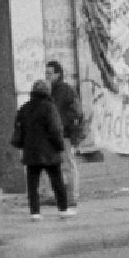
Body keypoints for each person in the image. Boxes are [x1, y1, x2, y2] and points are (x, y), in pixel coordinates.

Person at [11, 78, 75, 220]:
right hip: (49, 152)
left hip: (31, 151)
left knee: (33, 184)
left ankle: (35, 213)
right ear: (47, 92)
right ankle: (63, 209)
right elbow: (56, 129)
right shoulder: (49, 107)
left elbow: (19, 129)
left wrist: (22, 145)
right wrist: (59, 146)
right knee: (57, 181)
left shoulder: (24, 108)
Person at [46, 59, 84, 208]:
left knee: (68, 164)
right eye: (46, 73)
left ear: (58, 74)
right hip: (54, 134)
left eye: (50, 73)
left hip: (65, 133)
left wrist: (68, 127)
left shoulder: (66, 90)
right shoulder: (51, 91)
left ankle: (73, 196)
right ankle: (56, 195)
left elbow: (77, 112)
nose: (47, 76)